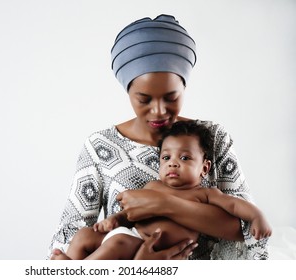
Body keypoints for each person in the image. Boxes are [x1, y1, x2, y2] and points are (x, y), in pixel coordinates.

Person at [48, 14, 270, 259]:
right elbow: (68, 234)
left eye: (171, 97)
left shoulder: (212, 138)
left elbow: (245, 229)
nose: (159, 111)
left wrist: (164, 204)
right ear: (127, 91)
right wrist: (135, 268)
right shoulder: (100, 147)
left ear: (184, 87)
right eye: (144, 99)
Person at [50, 121, 272, 260]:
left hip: (141, 245)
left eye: (184, 158)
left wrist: (257, 216)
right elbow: (132, 213)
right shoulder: (153, 187)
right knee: (83, 236)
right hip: (129, 234)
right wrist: (114, 220)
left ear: (204, 168)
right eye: (166, 158)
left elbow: (234, 205)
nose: (173, 163)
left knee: (115, 246)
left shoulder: (205, 194)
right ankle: (70, 264)